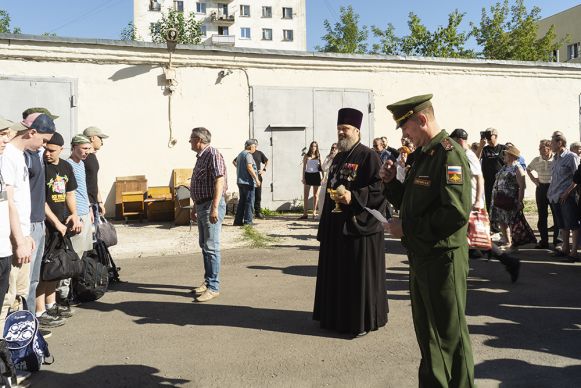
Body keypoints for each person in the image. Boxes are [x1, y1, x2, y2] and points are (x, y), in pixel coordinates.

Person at [381, 94, 474, 387]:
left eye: (406, 128)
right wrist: (390, 184)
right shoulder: (424, 156)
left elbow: (455, 213)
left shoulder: (449, 155)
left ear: (422, 120)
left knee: (449, 336)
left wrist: (406, 228)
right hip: (422, 257)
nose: (405, 136)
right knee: (429, 336)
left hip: (442, 260)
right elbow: (414, 202)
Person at [313, 108, 388, 338]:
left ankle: (360, 321)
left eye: (345, 129)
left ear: (357, 130)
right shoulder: (339, 157)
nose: (341, 133)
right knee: (337, 276)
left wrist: (353, 197)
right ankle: (335, 317)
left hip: (358, 226)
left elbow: (379, 189)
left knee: (356, 279)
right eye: (339, 129)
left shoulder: (369, 156)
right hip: (336, 226)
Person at [1, 113, 55, 329]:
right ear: (31, 132)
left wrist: (26, 235)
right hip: (14, 239)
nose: (43, 146)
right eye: (43, 140)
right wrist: (19, 239)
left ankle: (21, 340)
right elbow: (10, 203)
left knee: (20, 294)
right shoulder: (8, 157)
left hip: (24, 234)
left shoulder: (21, 156)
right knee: (8, 296)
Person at [450, 129, 520, 281]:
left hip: (473, 204)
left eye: (454, 141)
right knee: (475, 238)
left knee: (477, 238)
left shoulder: (468, 156)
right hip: (468, 202)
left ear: (460, 140)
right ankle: (508, 262)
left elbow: (480, 178)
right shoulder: (463, 155)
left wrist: (477, 202)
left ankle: (509, 262)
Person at [38, 132, 81, 333]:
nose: (47, 153)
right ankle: (39, 312)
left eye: (52, 150)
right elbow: (41, 201)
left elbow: (69, 193)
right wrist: (56, 223)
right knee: (43, 270)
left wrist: (74, 214)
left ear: (60, 150)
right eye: (45, 149)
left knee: (55, 268)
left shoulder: (65, 167)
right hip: (47, 226)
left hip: (61, 225)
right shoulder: (41, 167)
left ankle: (51, 305)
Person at [189, 127, 227, 302]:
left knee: (211, 247)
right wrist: (194, 207)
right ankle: (208, 281)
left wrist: (214, 207)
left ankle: (213, 287)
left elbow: (220, 180)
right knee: (204, 245)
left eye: (191, 139)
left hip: (211, 204)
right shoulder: (201, 157)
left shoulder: (213, 154)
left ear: (199, 140)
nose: (189, 141)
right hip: (202, 205)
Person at [57, 134, 93, 303]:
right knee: (72, 256)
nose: (87, 152)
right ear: (74, 147)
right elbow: (67, 193)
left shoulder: (81, 164)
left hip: (85, 213)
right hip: (76, 215)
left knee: (80, 255)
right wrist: (75, 216)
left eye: (89, 149)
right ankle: (63, 294)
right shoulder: (67, 165)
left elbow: (82, 190)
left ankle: (74, 290)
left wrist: (89, 208)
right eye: (84, 148)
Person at [547, 131, 580, 261]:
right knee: (562, 225)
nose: (550, 145)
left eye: (552, 143)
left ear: (560, 142)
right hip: (555, 196)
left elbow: (577, 178)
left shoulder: (571, 157)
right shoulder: (555, 158)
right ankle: (565, 248)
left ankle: (574, 252)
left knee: (572, 224)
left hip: (567, 196)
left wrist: (567, 192)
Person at [489, 145, 527, 250]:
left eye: (506, 154)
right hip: (500, 198)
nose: (504, 156)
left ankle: (513, 243)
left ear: (512, 156)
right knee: (501, 220)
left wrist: (520, 201)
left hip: (510, 199)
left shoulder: (517, 168)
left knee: (510, 221)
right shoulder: (505, 167)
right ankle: (507, 241)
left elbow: (522, 187)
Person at [526, 140, 558, 249]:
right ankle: (544, 241)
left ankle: (557, 241)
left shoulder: (556, 159)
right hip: (541, 188)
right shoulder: (536, 160)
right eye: (539, 148)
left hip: (553, 188)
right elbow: (528, 169)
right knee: (542, 215)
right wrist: (534, 179)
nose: (539, 150)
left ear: (548, 148)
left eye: (541, 148)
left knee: (556, 215)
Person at [477, 127, 506, 214]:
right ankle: (492, 224)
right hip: (488, 181)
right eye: (487, 137)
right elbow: (476, 158)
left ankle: (502, 223)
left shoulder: (503, 148)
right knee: (490, 204)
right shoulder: (484, 149)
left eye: (490, 137)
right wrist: (481, 146)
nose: (488, 139)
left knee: (501, 203)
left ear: (496, 136)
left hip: (501, 182)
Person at [83, 126, 109, 218]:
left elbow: (94, 181)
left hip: (93, 203)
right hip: (85, 204)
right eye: (100, 138)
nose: (102, 142)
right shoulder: (84, 158)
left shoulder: (92, 157)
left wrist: (100, 202)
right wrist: (88, 205)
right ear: (93, 138)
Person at [234, 139, 260, 226]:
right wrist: (256, 179)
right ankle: (248, 222)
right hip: (247, 182)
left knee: (242, 202)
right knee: (249, 202)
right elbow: (249, 167)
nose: (255, 148)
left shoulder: (240, 154)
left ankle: (238, 221)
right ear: (250, 146)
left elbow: (236, 163)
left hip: (240, 181)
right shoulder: (248, 155)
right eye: (255, 146)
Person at [300, 141, 322, 219]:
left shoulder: (318, 155)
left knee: (316, 195)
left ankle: (314, 212)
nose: (313, 148)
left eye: (315, 146)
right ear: (310, 147)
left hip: (316, 175)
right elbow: (304, 167)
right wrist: (303, 178)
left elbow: (321, 167)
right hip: (308, 175)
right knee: (306, 195)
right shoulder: (306, 155)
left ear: (317, 147)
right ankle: (305, 214)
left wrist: (323, 177)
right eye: (312, 146)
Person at [316, 143, 338, 217]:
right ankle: (322, 215)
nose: (333, 149)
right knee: (322, 197)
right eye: (332, 148)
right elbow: (324, 168)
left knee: (333, 199)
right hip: (327, 180)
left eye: (335, 148)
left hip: (335, 181)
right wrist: (330, 158)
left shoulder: (340, 157)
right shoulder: (328, 157)